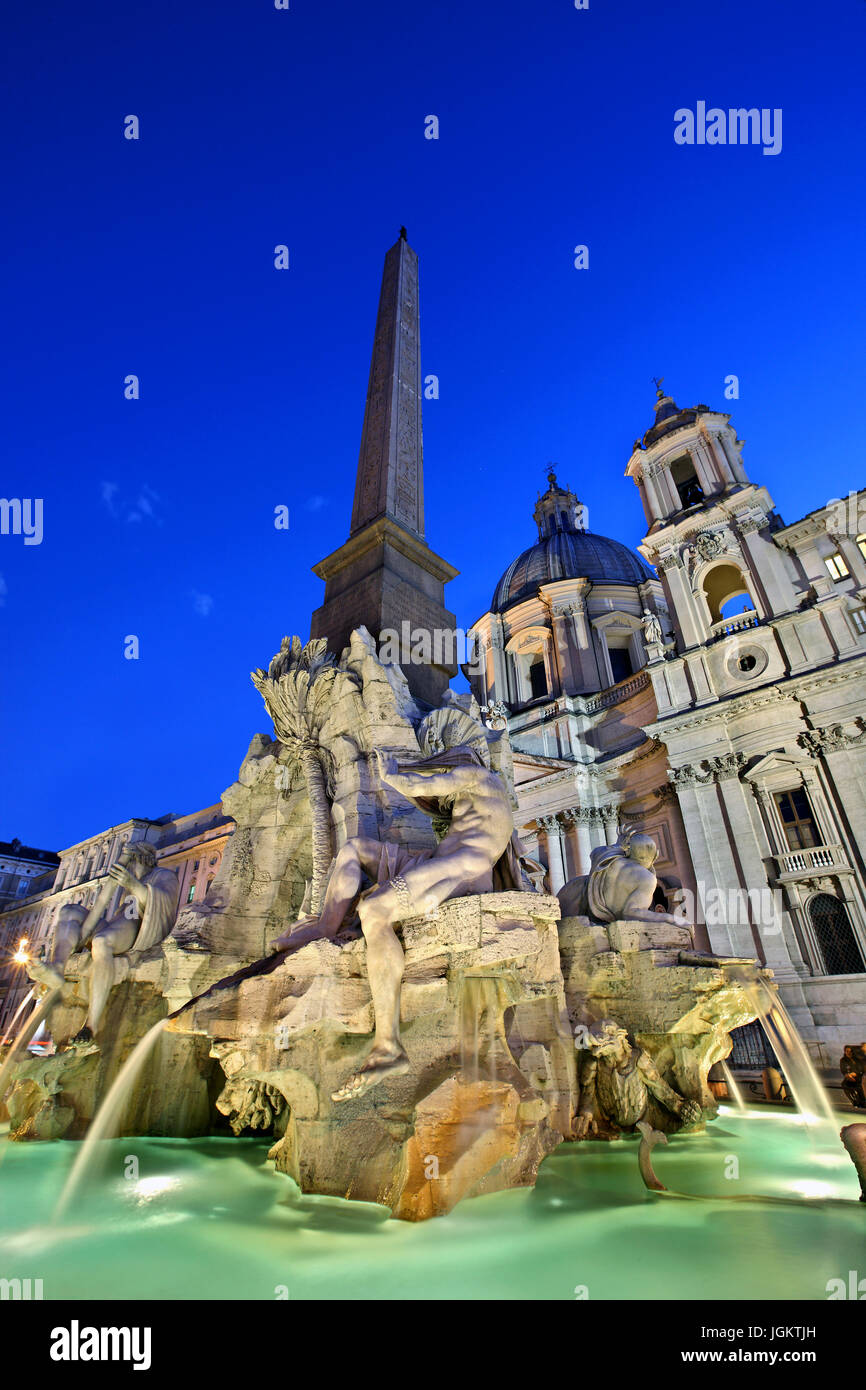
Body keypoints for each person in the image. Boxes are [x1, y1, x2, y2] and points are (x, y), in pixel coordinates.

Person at [273, 744, 527, 1102]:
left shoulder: (481, 776)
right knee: (354, 849)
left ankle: (388, 1045)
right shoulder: (471, 803)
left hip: (463, 869)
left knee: (374, 910)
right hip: (438, 860)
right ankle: (325, 928)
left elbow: (437, 783)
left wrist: (393, 775)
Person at [28, 842, 179, 1046]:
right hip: (115, 923)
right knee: (69, 910)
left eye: (131, 857)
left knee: (101, 942)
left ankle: (92, 1023)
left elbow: (163, 905)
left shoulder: (164, 875)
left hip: (137, 929)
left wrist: (133, 884)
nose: (129, 864)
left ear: (143, 858)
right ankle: (57, 966)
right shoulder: (128, 879)